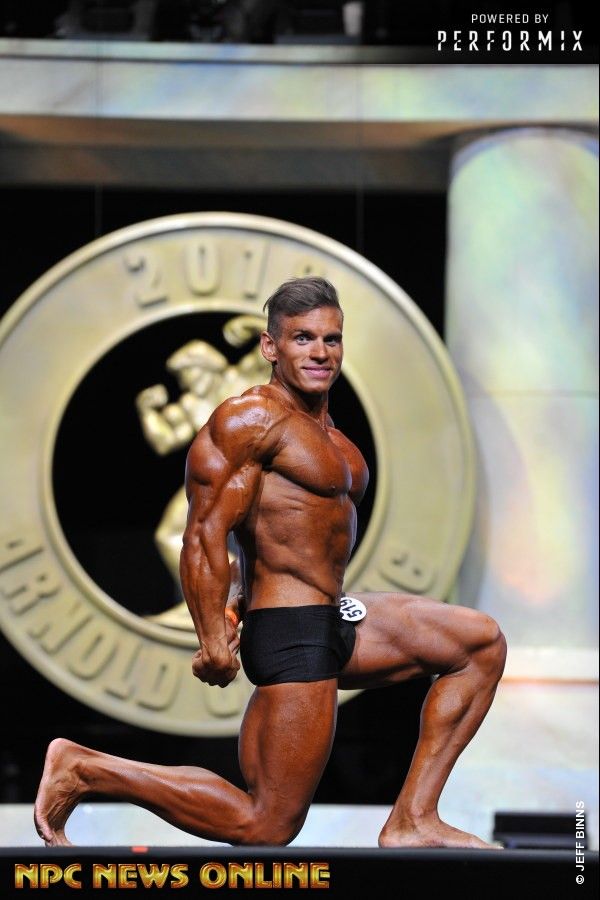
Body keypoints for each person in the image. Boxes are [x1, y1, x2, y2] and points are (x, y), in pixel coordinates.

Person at [35, 276, 506, 849]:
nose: (320, 352)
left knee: (479, 644)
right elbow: (204, 533)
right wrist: (212, 637)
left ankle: (414, 818)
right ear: (270, 347)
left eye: (331, 339)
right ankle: (86, 768)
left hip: (332, 615)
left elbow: (279, 530)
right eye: (303, 338)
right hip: (291, 628)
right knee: (266, 823)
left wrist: (239, 590)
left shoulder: (329, 433)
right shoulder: (249, 420)